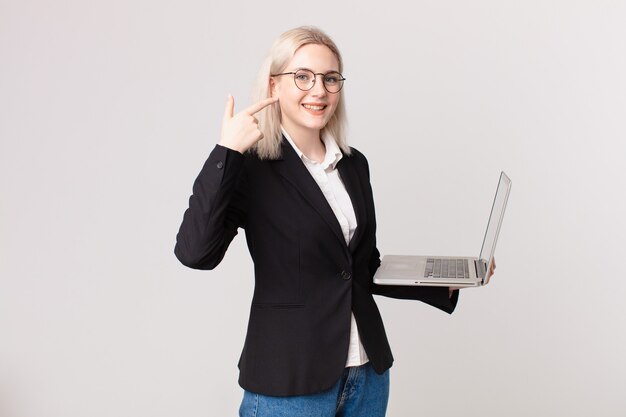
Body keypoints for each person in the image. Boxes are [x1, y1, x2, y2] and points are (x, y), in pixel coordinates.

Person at [174, 26, 495, 417]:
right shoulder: (250, 168)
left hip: (366, 376)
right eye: (303, 77)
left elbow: (360, 268)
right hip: (291, 381)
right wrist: (227, 151)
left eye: (330, 78)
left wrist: (442, 283)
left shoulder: (353, 164)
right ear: (274, 86)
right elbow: (195, 253)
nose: (319, 90)